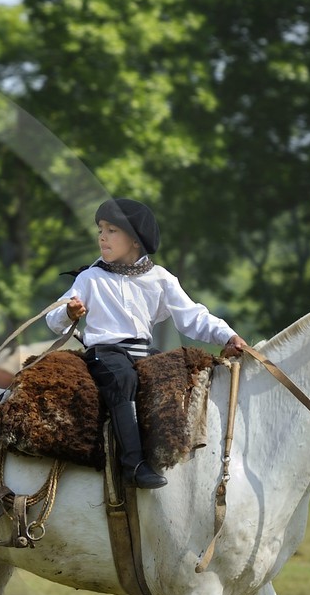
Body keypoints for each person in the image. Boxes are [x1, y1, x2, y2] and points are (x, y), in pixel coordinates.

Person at [43, 197, 245, 490]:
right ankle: (134, 464)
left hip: (143, 352)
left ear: (135, 240)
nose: (102, 236)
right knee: (122, 378)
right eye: (100, 229)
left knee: (179, 376)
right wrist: (69, 313)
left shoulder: (160, 278)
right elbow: (53, 321)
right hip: (106, 353)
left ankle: (183, 457)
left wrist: (228, 336)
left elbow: (193, 316)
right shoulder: (90, 278)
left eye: (111, 230)